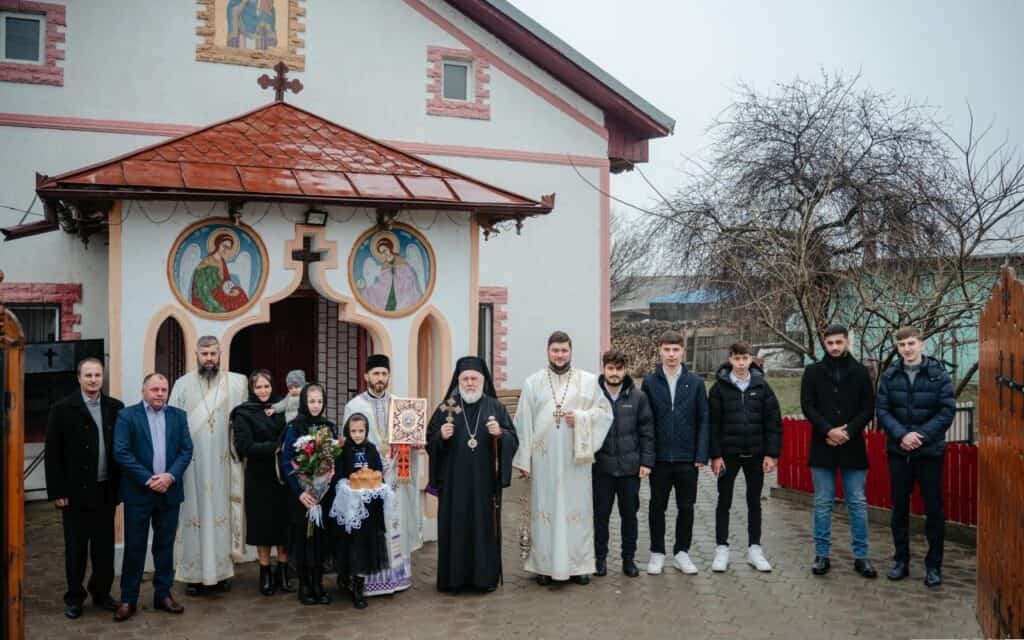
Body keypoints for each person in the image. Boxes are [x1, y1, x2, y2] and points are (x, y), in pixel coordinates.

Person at [513, 331, 613, 586]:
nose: (559, 355)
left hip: (574, 461)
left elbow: (605, 413)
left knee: (577, 510)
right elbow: (523, 422)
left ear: (571, 352)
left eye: (564, 351)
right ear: (548, 351)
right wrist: (524, 460)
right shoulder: (533, 382)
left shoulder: (588, 381)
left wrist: (581, 417)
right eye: (555, 350)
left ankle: (579, 566)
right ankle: (544, 567)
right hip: (543, 461)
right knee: (544, 509)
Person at [427, 356, 518, 593]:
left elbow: (513, 438)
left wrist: (501, 434)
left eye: (473, 379)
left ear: (483, 380)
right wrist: (440, 437)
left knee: (482, 528)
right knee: (454, 528)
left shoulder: (494, 407)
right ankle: (453, 580)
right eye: (465, 379)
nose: (469, 383)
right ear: (458, 381)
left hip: (483, 482)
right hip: (453, 483)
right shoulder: (447, 407)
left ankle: (483, 579)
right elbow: (430, 439)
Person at [168, 335, 249, 595]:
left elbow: (245, 421)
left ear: (220, 353)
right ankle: (193, 576)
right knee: (193, 514)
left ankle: (222, 573)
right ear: (196, 355)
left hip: (225, 463)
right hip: (192, 465)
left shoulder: (237, 383)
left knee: (221, 515)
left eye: (213, 354)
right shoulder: (181, 385)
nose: (209, 359)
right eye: (205, 354)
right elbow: (173, 425)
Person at [44, 357, 124, 619]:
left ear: (103, 377)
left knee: (103, 549)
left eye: (97, 375)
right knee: (76, 549)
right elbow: (53, 454)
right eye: (88, 375)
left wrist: (121, 488)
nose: (93, 380)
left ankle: (101, 593)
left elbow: (121, 449)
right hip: (75, 493)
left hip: (105, 490)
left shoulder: (115, 407)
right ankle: (74, 598)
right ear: (78, 378)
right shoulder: (62, 409)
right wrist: (57, 492)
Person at [876, 326, 955, 588]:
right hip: (899, 453)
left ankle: (934, 566)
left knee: (934, 511)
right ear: (897, 348)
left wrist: (920, 435)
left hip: (929, 453)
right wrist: (902, 435)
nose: (907, 349)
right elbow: (883, 410)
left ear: (921, 344)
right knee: (899, 509)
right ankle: (901, 561)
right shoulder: (890, 376)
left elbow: (946, 411)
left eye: (911, 343)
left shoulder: (938, 375)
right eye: (902, 345)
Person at [112, 374, 193, 622]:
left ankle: (163, 595)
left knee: (164, 547)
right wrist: (149, 479)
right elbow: (121, 452)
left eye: (163, 389)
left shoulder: (178, 416)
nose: (159, 393)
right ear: (143, 391)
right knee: (134, 547)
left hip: (169, 492)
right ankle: (128, 599)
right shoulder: (127, 416)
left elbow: (186, 450)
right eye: (155, 389)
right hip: (139, 493)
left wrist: (169, 476)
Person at [801, 324, 877, 579]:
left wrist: (847, 432)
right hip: (822, 445)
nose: (834, 347)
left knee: (857, 502)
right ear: (824, 343)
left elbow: (868, 407)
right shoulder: (812, 371)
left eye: (839, 342)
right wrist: (828, 430)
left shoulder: (861, 371)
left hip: (852, 446)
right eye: (830, 343)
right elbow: (807, 406)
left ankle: (861, 556)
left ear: (846, 342)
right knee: (823, 502)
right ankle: (822, 554)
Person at [342, 354, 422, 596]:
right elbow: (348, 444)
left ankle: (397, 579)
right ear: (366, 376)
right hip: (368, 478)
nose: (380, 378)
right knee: (371, 526)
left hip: (397, 474)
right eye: (375, 373)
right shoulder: (354, 406)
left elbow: (411, 437)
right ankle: (367, 580)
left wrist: (415, 444)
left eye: (384, 374)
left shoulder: (401, 405)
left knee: (395, 523)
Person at [708, 343, 782, 573]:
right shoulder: (719, 389)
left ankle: (755, 549)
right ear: (730, 359)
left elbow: (773, 422)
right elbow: (713, 425)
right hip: (728, 455)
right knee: (724, 501)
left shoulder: (762, 387)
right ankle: (722, 549)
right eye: (737, 358)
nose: (741, 363)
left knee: (754, 501)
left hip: (756, 454)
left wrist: (771, 454)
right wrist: (715, 455)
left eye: (745, 358)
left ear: (751, 359)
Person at [641, 330, 709, 575]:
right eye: (667, 349)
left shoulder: (696, 383)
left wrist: (701, 455)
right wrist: (647, 457)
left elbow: (704, 420)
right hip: (659, 458)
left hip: (687, 459)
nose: (671, 354)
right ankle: (657, 553)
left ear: (683, 351)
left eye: (675, 349)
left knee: (686, 507)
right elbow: (645, 422)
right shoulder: (650, 382)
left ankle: (682, 553)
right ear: (660, 350)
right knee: (657, 506)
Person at [591, 350, 653, 579]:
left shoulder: (638, 398)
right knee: (600, 517)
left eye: (619, 369)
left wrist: (646, 461)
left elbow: (647, 432)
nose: (614, 373)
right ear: (604, 369)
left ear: (625, 370)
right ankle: (599, 559)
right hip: (602, 469)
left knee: (629, 516)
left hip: (629, 469)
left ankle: (629, 559)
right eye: (610, 368)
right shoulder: (593, 396)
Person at [231, 369, 292, 595]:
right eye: (258, 387)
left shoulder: (282, 407)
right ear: (252, 389)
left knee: (284, 525)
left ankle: (283, 571)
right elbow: (245, 446)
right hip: (259, 476)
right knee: (263, 526)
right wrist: (276, 447)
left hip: (283, 476)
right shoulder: (243, 413)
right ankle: (265, 572)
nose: (263, 391)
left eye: (267, 386)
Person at [280, 383, 338, 605]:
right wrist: (300, 492)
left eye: (319, 401)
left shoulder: (328, 427)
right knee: (304, 540)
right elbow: (287, 462)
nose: (316, 405)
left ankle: (318, 584)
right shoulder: (294, 428)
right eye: (311, 401)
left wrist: (330, 474)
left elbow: (332, 457)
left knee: (320, 541)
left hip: (322, 497)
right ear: (304, 401)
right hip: (302, 498)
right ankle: (305, 585)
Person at [331, 413, 391, 609]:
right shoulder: (343, 450)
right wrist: (345, 485)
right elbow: (338, 476)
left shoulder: (372, 449)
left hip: (368, 510)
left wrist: (375, 483)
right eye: (353, 431)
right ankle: (344, 576)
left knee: (363, 547)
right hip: (350, 509)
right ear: (348, 431)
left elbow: (378, 473)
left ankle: (359, 586)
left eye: (361, 431)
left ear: (366, 431)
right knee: (349, 545)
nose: (357, 435)